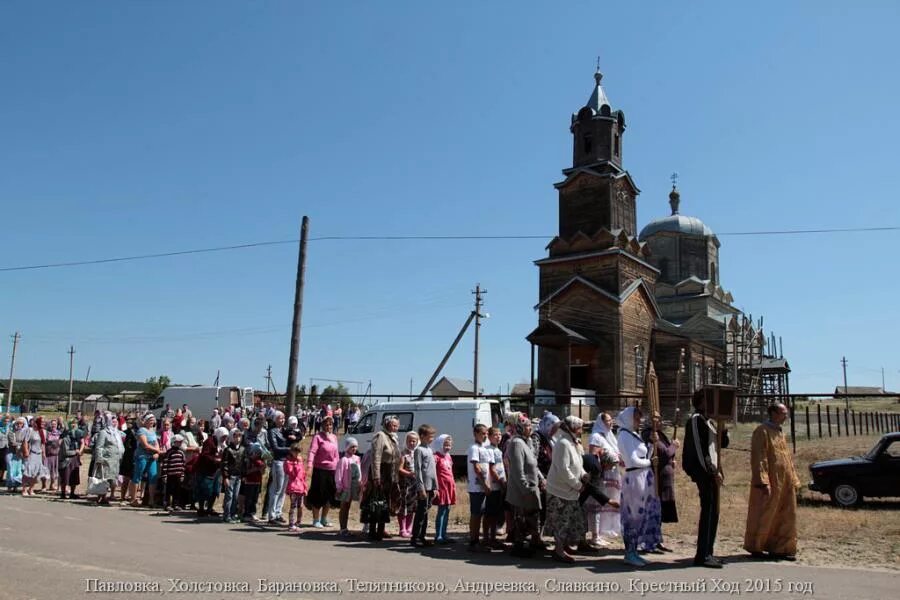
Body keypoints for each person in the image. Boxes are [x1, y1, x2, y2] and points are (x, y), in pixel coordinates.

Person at [743, 402, 800, 561]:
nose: (786, 415)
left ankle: (780, 548)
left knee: (786, 516)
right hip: (772, 482)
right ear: (774, 413)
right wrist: (763, 480)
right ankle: (757, 546)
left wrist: (794, 479)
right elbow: (759, 457)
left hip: (785, 482)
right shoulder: (762, 431)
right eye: (783, 412)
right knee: (766, 514)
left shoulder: (780, 433)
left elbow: (787, 458)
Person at [682, 390, 729, 568]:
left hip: (712, 471)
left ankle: (709, 551)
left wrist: (723, 428)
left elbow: (721, 445)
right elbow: (699, 451)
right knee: (708, 510)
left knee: (714, 511)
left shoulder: (709, 421)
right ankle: (702, 555)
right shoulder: (696, 420)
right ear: (701, 402)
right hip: (703, 471)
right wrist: (711, 471)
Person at [617, 406, 662, 567]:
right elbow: (632, 460)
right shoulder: (623, 435)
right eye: (636, 418)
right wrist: (650, 462)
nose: (639, 421)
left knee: (641, 515)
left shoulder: (633, 434)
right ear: (629, 418)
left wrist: (652, 444)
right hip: (635, 477)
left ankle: (635, 551)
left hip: (643, 476)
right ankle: (629, 552)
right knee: (633, 517)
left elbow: (643, 455)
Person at [543, 416, 589, 563]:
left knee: (570, 520)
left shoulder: (572, 443)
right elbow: (563, 469)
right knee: (560, 521)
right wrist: (577, 485)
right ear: (573, 428)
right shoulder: (563, 444)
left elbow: (578, 463)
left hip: (570, 491)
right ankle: (558, 551)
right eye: (580, 427)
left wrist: (583, 474)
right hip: (559, 490)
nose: (582, 430)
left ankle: (564, 546)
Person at [505, 413, 543, 558]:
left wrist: (540, 480)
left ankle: (531, 543)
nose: (530, 428)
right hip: (522, 490)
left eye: (530, 425)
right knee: (520, 518)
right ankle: (518, 546)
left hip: (531, 487)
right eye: (526, 426)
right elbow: (517, 470)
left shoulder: (527, 442)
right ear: (519, 428)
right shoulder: (516, 443)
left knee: (531, 517)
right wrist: (525, 489)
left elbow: (533, 464)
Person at [641, 410, 678, 552]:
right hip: (656, 478)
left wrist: (672, 459)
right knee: (654, 509)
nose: (660, 422)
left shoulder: (660, 434)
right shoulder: (649, 435)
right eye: (656, 419)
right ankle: (650, 540)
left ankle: (658, 539)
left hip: (666, 477)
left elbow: (668, 454)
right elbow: (662, 453)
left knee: (661, 510)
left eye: (660, 419)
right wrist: (673, 447)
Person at [364, 416, 400, 541]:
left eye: (396, 425)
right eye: (392, 425)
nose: (395, 427)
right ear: (386, 424)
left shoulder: (393, 438)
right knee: (376, 503)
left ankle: (381, 529)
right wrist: (376, 477)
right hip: (381, 473)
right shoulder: (380, 436)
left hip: (390, 474)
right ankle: (373, 531)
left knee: (385, 503)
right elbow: (376, 457)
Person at [589, 412, 622, 545]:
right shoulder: (596, 437)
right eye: (608, 420)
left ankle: (602, 532)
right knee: (599, 504)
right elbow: (593, 456)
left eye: (611, 420)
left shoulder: (609, 436)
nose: (611, 422)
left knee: (608, 502)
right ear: (601, 422)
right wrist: (604, 466)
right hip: (603, 475)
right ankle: (594, 535)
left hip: (612, 474)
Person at [305, 415, 339, 528]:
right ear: (322, 425)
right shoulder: (317, 437)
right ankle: (316, 519)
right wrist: (309, 465)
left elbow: (336, 454)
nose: (328, 426)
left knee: (329, 495)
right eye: (326, 424)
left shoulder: (334, 437)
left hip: (332, 470)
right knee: (318, 495)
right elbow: (312, 452)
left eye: (330, 424)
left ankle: (324, 518)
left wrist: (338, 467)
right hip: (320, 470)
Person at [467, 423, 494, 553]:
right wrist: (484, 485)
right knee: (476, 515)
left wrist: (488, 484)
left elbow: (486, 469)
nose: (485, 436)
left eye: (486, 434)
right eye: (482, 433)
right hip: (477, 488)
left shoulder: (484, 448)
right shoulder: (474, 448)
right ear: (475, 434)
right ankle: (473, 541)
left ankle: (481, 540)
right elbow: (477, 468)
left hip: (484, 487)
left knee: (482, 514)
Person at [411, 425, 437, 548]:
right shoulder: (419, 450)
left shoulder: (430, 450)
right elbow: (418, 470)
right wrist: (420, 488)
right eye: (430, 436)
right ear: (422, 436)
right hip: (423, 487)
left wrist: (435, 487)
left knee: (426, 512)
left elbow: (433, 470)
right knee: (421, 512)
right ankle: (415, 537)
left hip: (430, 486)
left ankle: (422, 536)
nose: (432, 438)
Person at [129, 414, 161, 508]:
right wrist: (157, 450)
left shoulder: (153, 431)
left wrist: (157, 453)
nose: (152, 422)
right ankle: (133, 499)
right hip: (142, 456)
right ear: (146, 421)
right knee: (137, 476)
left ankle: (151, 500)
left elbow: (156, 443)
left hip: (152, 457)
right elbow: (145, 445)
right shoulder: (142, 430)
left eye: (153, 420)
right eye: (150, 420)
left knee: (153, 477)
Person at [92, 412, 124, 505]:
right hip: (106, 460)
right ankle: (101, 497)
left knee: (111, 479)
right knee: (103, 478)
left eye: (116, 422)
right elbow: (99, 446)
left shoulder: (117, 433)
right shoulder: (103, 432)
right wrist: (99, 458)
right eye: (113, 422)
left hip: (115, 460)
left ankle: (105, 496)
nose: (115, 423)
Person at [264, 411, 290, 525]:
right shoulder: (272, 431)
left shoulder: (285, 431)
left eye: (284, 418)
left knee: (283, 489)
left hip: (287, 462)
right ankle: (272, 514)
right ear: (275, 420)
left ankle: (279, 513)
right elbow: (275, 448)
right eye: (280, 418)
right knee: (276, 488)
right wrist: (290, 450)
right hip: (278, 462)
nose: (282, 420)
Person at [195, 427, 227, 517]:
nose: (224, 438)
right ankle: (201, 509)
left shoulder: (222, 444)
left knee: (215, 490)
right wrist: (216, 460)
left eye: (225, 437)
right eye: (223, 436)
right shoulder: (209, 442)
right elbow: (205, 455)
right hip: (206, 470)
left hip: (216, 470)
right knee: (205, 489)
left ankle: (209, 508)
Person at [431, 433, 456, 544]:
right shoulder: (436, 457)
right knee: (441, 511)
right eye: (445, 445)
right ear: (440, 444)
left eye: (449, 445)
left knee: (447, 511)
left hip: (449, 487)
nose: (448, 447)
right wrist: (435, 487)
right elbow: (433, 472)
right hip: (441, 487)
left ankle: (444, 534)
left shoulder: (448, 456)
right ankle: (438, 535)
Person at [485, 426, 507, 549]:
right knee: (490, 514)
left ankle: (493, 537)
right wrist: (500, 482)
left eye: (500, 434)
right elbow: (492, 469)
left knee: (495, 513)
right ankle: (487, 538)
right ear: (489, 437)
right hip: (494, 486)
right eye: (495, 435)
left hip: (499, 487)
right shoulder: (490, 450)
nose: (498, 437)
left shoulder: (498, 450)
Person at [335, 437, 361, 537]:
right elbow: (339, 475)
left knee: (348, 507)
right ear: (347, 447)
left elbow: (359, 473)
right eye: (352, 447)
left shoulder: (357, 459)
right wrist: (339, 487)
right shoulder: (344, 460)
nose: (354, 448)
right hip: (345, 488)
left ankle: (345, 527)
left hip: (353, 487)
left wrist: (359, 484)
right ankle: (342, 528)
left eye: (355, 446)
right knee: (344, 507)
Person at [397, 431, 419, 538]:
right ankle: (402, 528)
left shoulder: (417, 453)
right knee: (403, 507)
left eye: (414, 441)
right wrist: (409, 473)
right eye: (410, 441)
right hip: (405, 485)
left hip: (415, 485)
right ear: (406, 441)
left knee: (412, 507)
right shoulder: (404, 454)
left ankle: (409, 528)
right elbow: (399, 469)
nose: (412, 443)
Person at [283, 442, 308, 533]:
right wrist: (296, 463)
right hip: (293, 487)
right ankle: (291, 524)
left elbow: (303, 475)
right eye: (295, 452)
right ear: (291, 451)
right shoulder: (288, 461)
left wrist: (305, 487)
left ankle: (298, 522)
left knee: (300, 506)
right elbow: (291, 473)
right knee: (293, 506)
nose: (297, 454)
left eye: (298, 452)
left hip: (300, 487)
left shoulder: (300, 461)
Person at [221, 429, 244, 523]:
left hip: (238, 476)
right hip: (230, 476)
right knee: (229, 496)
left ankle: (232, 514)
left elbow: (243, 463)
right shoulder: (228, 449)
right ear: (232, 437)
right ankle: (227, 515)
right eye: (235, 436)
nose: (237, 438)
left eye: (239, 436)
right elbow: (224, 464)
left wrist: (244, 475)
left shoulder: (243, 449)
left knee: (235, 496)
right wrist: (225, 477)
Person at [59, 418, 84, 499]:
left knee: (74, 477)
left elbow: (82, 445)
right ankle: (63, 494)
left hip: (75, 460)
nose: (74, 425)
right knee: (65, 477)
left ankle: (72, 493)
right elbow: (65, 452)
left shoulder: (77, 438)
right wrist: (75, 452)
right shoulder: (66, 439)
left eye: (75, 423)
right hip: (67, 461)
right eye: (72, 423)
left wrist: (79, 451)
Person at [160, 434, 187, 511]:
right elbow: (165, 463)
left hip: (178, 475)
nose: (180, 443)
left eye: (180, 442)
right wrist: (164, 475)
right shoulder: (169, 452)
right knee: (168, 490)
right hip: (170, 475)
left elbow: (183, 464)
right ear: (174, 442)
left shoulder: (181, 452)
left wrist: (182, 474)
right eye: (178, 442)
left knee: (177, 490)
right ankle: (167, 504)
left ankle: (176, 504)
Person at [21, 416, 46, 496]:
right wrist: (26, 451)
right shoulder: (30, 430)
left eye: (44, 422)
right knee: (28, 471)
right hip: (31, 453)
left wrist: (43, 454)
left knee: (37, 472)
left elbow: (43, 444)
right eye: (42, 422)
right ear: (37, 422)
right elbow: (25, 441)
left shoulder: (42, 432)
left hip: (39, 455)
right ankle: (24, 489)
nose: (43, 424)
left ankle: (31, 489)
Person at [241, 444, 266, 522]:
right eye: (256, 453)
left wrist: (262, 468)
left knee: (255, 499)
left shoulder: (260, 461)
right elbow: (246, 471)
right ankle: (246, 514)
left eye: (259, 453)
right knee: (249, 499)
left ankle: (252, 513)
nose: (257, 454)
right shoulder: (248, 460)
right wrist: (256, 468)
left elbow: (262, 472)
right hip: (249, 482)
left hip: (257, 482)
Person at [43, 418, 61, 492]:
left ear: (57, 425)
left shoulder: (59, 433)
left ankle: (52, 485)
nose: (53, 425)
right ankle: (43, 485)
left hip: (56, 455)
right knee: (45, 470)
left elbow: (60, 443)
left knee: (54, 471)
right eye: (52, 424)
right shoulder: (47, 433)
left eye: (55, 424)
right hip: (47, 454)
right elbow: (44, 443)